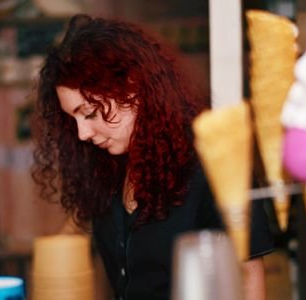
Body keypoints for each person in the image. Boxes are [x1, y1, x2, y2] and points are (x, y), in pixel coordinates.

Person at [32, 14, 274, 300]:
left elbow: (246, 280)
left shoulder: (213, 165)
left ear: (132, 88)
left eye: (90, 113)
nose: (82, 133)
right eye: (73, 119)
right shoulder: (110, 168)